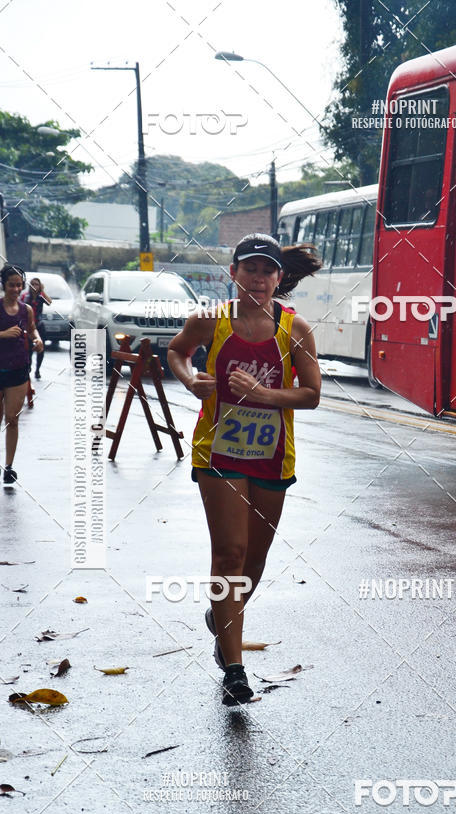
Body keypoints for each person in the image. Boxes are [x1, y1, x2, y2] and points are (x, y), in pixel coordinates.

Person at [168, 234, 321, 706]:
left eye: (267, 270)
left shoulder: (294, 330)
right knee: (229, 556)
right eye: (249, 269)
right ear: (233, 273)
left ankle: (222, 616)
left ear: (280, 278)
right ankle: (234, 668)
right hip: (218, 453)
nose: (258, 277)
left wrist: (264, 395)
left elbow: (312, 394)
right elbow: (176, 352)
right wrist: (192, 379)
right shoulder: (210, 320)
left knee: (253, 563)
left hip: (274, 456)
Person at [0, 264, 43, 484]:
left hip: (18, 369)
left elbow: (33, 328)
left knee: (12, 420)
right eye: (11, 285)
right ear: (3, 285)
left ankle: (8, 467)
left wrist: (37, 339)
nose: (16, 289)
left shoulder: (26, 310)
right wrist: (3, 334)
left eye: (19, 285)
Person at [21, 276, 51, 379]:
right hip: (28, 326)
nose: (34, 286)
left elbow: (49, 302)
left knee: (41, 349)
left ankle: (37, 370)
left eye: (37, 284)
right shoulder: (25, 297)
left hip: (39, 325)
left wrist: (42, 291)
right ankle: (28, 368)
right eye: (32, 284)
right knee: (28, 349)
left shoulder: (40, 297)